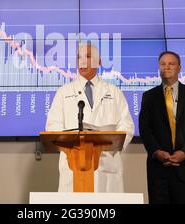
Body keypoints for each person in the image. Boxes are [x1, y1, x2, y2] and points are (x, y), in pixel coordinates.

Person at [46, 43, 134, 192]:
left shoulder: (113, 92)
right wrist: (74, 143)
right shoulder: (63, 92)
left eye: (88, 56)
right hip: (74, 162)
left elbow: (127, 125)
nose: (82, 61)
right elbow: (53, 126)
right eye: (79, 57)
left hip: (106, 161)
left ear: (99, 61)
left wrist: (109, 143)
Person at [139, 51, 185, 204]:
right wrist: (156, 152)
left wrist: (184, 152)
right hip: (159, 169)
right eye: (163, 64)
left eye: (171, 63)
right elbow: (145, 129)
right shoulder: (149, 96)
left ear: (179, 68)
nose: (167, 67)